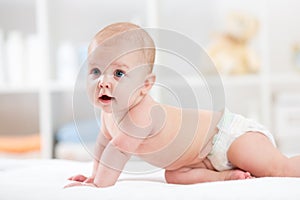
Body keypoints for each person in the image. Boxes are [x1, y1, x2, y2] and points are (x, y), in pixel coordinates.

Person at [65, 22, 300, 188]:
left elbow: (117, 152)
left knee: (280, 168)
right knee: (173, 175)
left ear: (145, 86)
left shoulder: (141, 115)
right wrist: (92, 175)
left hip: (226, 137)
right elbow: (103, 145)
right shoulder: (109, 116)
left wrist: (99, 184)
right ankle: (225, 178)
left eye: (118, 73)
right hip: (194, 162)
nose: (103, 82)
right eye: (95, 71)